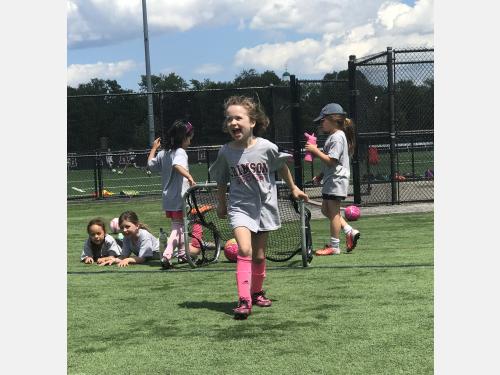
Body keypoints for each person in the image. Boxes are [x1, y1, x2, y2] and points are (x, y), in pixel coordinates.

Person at [209, 95, 309, 320]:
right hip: (239, 207)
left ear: (252, 122)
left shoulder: (267, 147)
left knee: (260, 254)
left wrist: (293, 188)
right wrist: (222, 203)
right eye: (229, 119)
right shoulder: (226, 151)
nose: (233, 123)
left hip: (264, 207)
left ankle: (256, 292)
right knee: (245, 250)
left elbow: (281, 167)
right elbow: (222, 180)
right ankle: (244, 299)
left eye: (238, 118)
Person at [305, 103, 361, 256]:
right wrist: (320, 175)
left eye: (323, 121)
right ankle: (349, 230)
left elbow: (332, 160)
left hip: (337, 180)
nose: (321, 124)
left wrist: (315, 151)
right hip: (332, 179)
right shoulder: (333, 137)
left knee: (334, 212)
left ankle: (334, 246)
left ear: (334, 119)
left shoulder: (337, 137)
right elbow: (328, 162)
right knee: (325, 210)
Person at [147, 120, 203, 269]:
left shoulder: (163, 153)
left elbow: (151, 166)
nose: (190, 141)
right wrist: (190, 177)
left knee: (179, 226)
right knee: (178, 227)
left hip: (168, 198)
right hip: (179, 197)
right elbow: (177, 165)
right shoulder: (180, 152)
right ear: (184, 137)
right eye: (189, 137)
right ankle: (167, 255)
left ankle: (183, 254)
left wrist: (153, 148)